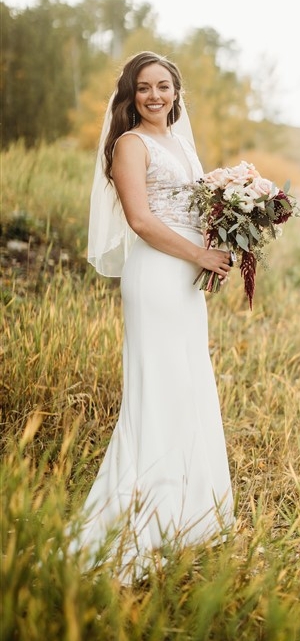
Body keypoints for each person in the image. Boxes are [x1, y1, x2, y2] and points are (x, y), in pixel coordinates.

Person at [78, 51, 234, 581]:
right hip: (157, 276)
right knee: (160, 387)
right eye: (143, 87)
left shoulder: (181, 142)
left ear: (176, 91)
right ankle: (143, 516)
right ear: (130, 94)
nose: (154, 96)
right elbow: (142, 221)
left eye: (163, 86)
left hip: (186, 279)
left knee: (188, 382)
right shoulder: (130, 144)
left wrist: (226, 242)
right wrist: (199, 255)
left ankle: (189, 515)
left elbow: (198, 209)